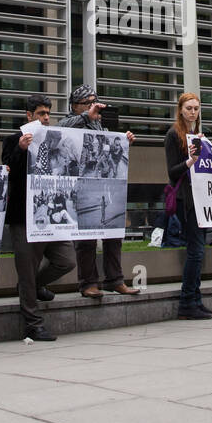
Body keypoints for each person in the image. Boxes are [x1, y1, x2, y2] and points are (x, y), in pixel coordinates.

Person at [4, 94, 76, 340]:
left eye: (48, 114)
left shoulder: (54, 141)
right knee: (26, 268)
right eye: (41, 114)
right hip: (24, 217)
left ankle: (32, 285)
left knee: (66, 260)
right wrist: (21, 149)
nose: (46, 118)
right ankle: (33, 325)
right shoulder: (14, 140)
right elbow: (8, 173)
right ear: (29, 116)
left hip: (52, 217)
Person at [61, 84, 139, 298]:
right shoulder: (70, 122)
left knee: (113, 234)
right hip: (81, 187)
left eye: (95, 103)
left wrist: (123, 143)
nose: (93, 108)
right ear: (75, 106)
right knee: (85, 238)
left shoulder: (101, 126)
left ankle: (115, 279)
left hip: (106, 186)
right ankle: (88, 283)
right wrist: (87, 116)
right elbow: (61, 129)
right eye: (87, 103)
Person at [166, 93, 212, 319]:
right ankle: (187, 301)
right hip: (185, 200)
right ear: (180, 110)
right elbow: (172, 171)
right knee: (196, 251)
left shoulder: (195, 135)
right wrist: (190, 160)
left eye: (196, 108)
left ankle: (195, 300)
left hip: (199, 198)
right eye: (188, 108)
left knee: (198, 251)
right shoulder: (173, 135)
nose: (193, 112)